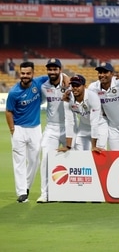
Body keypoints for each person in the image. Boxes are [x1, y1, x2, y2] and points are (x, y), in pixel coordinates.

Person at [6, 61, 48, 203]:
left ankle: (27, 186)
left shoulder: (38, 82)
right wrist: (13, 130)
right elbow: (8, 112)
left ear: (33, 73)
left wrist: (66, 77)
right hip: (19, 128)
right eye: (23, 73)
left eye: (28, 73)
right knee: (19, 161)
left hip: (35, 129)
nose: (25, 76)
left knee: (35, 160)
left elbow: (54, 75)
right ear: (19, 74)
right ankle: (22, 192)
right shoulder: (14, 92)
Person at [38, 59, 67, 203]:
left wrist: (67, 78)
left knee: (74, 159)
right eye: (49, 69)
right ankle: (45, 194)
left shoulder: (68, 84)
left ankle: (72, 193)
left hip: (68, 127)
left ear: (60, 70)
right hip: (51, 128)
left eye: (55, 69)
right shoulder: (44, 87)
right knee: (45, 159)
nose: (52, 72)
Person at [88, 62, 119, 150]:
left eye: (105, 72)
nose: (102, 75)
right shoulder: (93, 87)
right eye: (100, 73)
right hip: (113, 128)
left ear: (112, 74)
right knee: (114, 156)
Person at [63, 75, 105, 152]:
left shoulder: (93, 97)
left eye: (78, 85)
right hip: (83, 126)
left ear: (84, 86)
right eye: (73, 85)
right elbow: (69, 121)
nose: (75, 88)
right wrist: (68, 146)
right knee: (80, 153)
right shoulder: (68, 98)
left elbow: (94, 122)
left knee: (98, 154)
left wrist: (94, 146)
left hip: (99, 125)